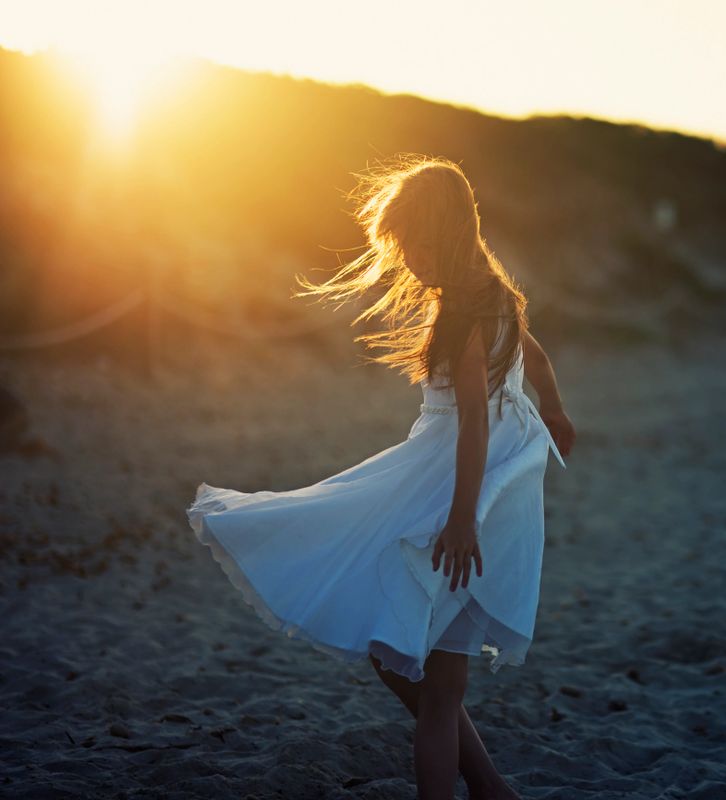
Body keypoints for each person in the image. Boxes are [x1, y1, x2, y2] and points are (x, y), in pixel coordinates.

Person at [186, 154, 576, 800]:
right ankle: (490, 788)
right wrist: (555, 408)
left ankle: (475, 787)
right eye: (402, 246)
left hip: (456, 481)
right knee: (428, 671)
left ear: (450, 231)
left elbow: (474, 419)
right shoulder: (493, 293)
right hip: (495, 482)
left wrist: (459, 518)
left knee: (423, 672)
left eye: (418, 243)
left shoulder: (462, 314)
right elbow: (532, 351)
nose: (410, 260)